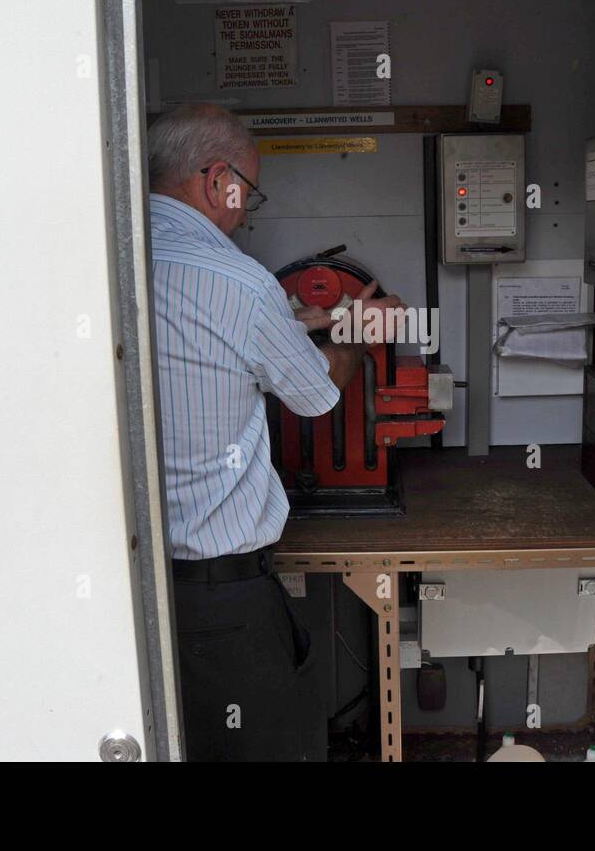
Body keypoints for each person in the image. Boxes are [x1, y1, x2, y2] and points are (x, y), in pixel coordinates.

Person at [145, 103, 401, 761]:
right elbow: (316, 394)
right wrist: (353, 330)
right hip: (223, 602)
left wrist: (305, 320)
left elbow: (211, 344)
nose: (246, 211)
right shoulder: (238, 279)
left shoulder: (110, 261)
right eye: (247, 193)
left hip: (136, 591)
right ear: (215, 179)